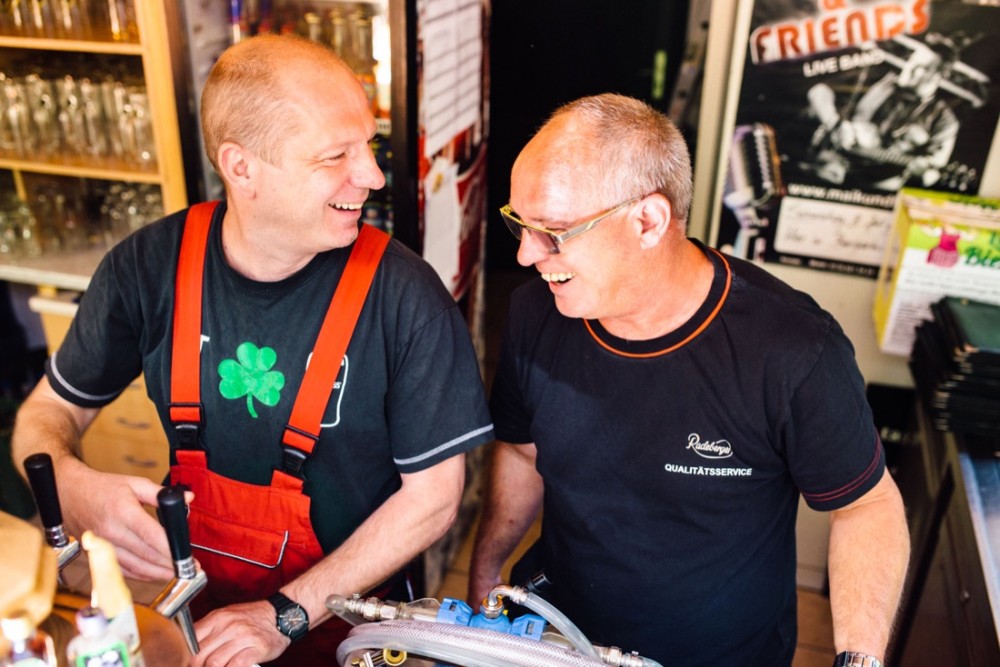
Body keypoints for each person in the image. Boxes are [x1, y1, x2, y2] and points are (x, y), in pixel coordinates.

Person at [12, 35, 494, 666]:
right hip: (195, 618)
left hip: (351, 620)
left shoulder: (404, 295)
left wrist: (288, 612)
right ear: (241, 167)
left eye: (368, 147)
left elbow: (432, 500)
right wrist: (73, 485)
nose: (373, 177)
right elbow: (42, 417)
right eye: (336, 156)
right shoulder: (148, 267)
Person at [468, 93, 910, 667]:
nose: (527, 255)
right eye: (519, 225)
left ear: (647, 221)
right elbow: (523, 454)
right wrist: (484, 571)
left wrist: (860, 659)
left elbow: (866, 507)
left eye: (553, 230)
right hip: (556, 638)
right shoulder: (538, 313)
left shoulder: (794, 351)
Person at [806, 35, 962, 191]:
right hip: (834, 160)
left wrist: (922, 173)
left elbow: (933, 172)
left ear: (940, 75)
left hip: (877, 185)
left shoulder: (945, 121)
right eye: (911, 60)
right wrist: (835, 125)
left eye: (921, 67)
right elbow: (819, 91)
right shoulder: (876, 77)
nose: (909, 68)